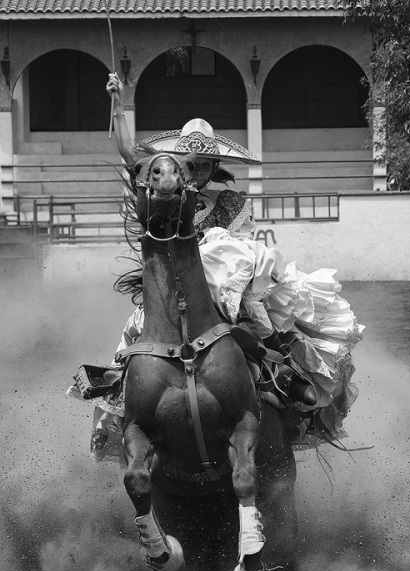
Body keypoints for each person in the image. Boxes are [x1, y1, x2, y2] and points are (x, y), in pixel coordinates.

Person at [77, 73, 365, 461]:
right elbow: (130, 154)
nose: (196, 171)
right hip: (170, 284)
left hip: (223, 288)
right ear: (179, 164)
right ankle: (112, 415)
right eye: (190, 164)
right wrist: (118, 102)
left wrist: (223, 252)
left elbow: (243, 248)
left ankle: (285, 381)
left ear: (214, 167)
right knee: (131, 337)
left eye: (205, 165)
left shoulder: (231, 202)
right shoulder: (166, 196)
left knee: (262, 324)